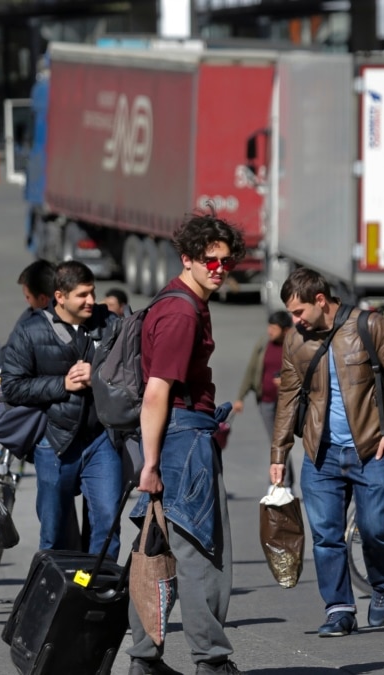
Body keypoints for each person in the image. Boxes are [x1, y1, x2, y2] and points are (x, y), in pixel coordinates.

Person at [270, 268, 384, 638]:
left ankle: (382, 586)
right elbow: (288, 396)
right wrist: (278, 454)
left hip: (371, 449)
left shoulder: (368, 326)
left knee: (376, 529)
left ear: (320, 301)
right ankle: (339, 609)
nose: (295, 321)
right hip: (320, 453)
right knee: (325, 536)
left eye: (299, 311)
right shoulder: (295, 340)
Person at [127, 212, 246, 675]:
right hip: (180, 440)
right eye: (209, 261)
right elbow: (157, 391)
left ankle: (144, 661)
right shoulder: (180, 311)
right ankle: (211, 662)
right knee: (202, 554)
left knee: (155, 551)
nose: (219, 269)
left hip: (171, 438)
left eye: (225, 262)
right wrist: (151, 464)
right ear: (188, 259)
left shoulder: (181, 300)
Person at [1, 261, 122, 556]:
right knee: (53, 533)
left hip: (101, 440)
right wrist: (62, 384)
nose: (91, 301)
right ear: (60, 296)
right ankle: (55, 595)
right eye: (82, 295)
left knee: (107, 523)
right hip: (54, 442)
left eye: (93, 293)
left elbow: (133, 372)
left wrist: (97, 376)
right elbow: (12, 387)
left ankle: (94, 591)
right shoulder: (30, 331)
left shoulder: (111, 325)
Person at [233, 311, 292, 440]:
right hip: (265, 401)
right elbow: (251, 369)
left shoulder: (293, 347)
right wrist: (240, 398)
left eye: (274, 328)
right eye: (269, 327)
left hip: (286, 403)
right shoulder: (263, 344)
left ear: (286, 330)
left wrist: (287, 382)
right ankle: (283, 461)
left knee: (282, 441)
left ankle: (283, 460)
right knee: (275, 440)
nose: (270, 331)